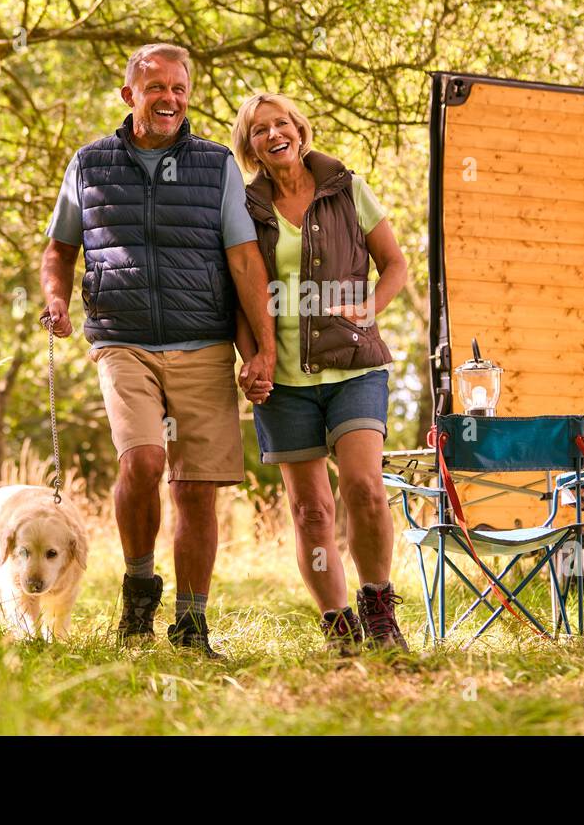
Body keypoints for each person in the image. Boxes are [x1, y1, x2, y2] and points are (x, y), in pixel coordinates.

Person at [40, 43, 274, 659]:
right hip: (123, 338)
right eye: (155, 88)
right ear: (130, 96)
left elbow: (245, 259)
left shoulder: (216, 164)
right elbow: (60, 248)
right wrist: (57, 300)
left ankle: (192, 624)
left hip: (203, 341)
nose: (169, 98)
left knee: (195, 488)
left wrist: (265, 349)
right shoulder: (89, 164)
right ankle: (139, 588)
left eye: (179, 88)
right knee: (142, 462)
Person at [230, 92, 410, 652]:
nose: (273, 134)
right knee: (311, 510)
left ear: (300, 131)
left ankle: (378, 606)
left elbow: (396, 264)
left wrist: (372, 305)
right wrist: (252, 359)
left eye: (281, 123)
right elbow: (237, 296)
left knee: (364, 487)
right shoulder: (244, 207)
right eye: (260, 130)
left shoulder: (347, 189)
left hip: (354, 367)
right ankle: (338, 625)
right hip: (283, 382)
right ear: (250, 147)